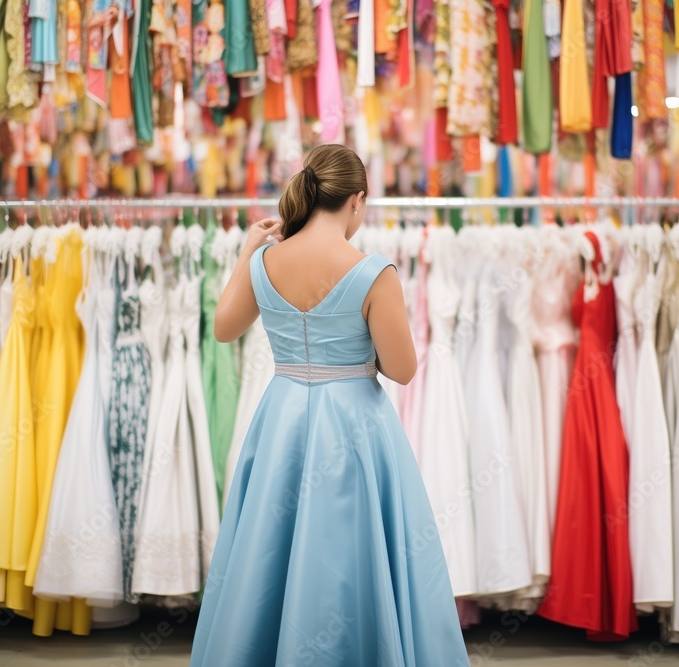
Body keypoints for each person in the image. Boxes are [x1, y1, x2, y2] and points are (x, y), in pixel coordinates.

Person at [190, 145, 471, 666]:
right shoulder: (372, 271)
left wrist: (249, 249)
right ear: (357, 202)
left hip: (282, 419)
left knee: (268, 550)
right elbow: (403, 369)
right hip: (353, 425)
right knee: (349, 555)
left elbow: (224, 329)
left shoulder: (265, 261)